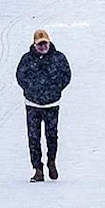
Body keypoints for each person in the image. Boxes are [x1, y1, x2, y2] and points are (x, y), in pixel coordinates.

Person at [15, 28, 71, 182]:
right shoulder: (26, 59)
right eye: (39, 44)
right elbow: (20, 77)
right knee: (34, 138)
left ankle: (51, 162)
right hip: (32, 104)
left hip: (52, 104)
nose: (42, 46)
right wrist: (31, 90)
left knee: (51, 135)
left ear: (49, 42)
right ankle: (37, 169)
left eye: (44, 43)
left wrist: (55, 89)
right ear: (34, 44)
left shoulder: (59, 58)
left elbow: (66, 76)